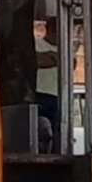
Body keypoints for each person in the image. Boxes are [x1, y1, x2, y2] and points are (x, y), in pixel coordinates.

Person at [35, 16, 59, 151]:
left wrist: (51, 56)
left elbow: (71, 63)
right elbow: (38, 61)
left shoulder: (66, 46)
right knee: (42, 126)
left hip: (58, 94)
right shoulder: (37, 43)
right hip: (41, 93)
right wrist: (53, 57)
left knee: (56, 128)